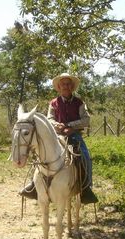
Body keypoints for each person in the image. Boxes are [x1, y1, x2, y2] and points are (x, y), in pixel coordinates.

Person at [19, 73, 98, 204]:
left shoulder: (80, 103)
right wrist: (58, 125)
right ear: (59, 87)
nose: (65, 87)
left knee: (85, 155)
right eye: (63, 84)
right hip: (56, 135)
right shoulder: (53, 103)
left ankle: (86, 188)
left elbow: (86, 119)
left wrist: (70, 126)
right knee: (40, 153)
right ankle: (33, 185)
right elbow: (49, 118)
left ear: (72, 87)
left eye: (68, 84)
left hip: (74, 135)